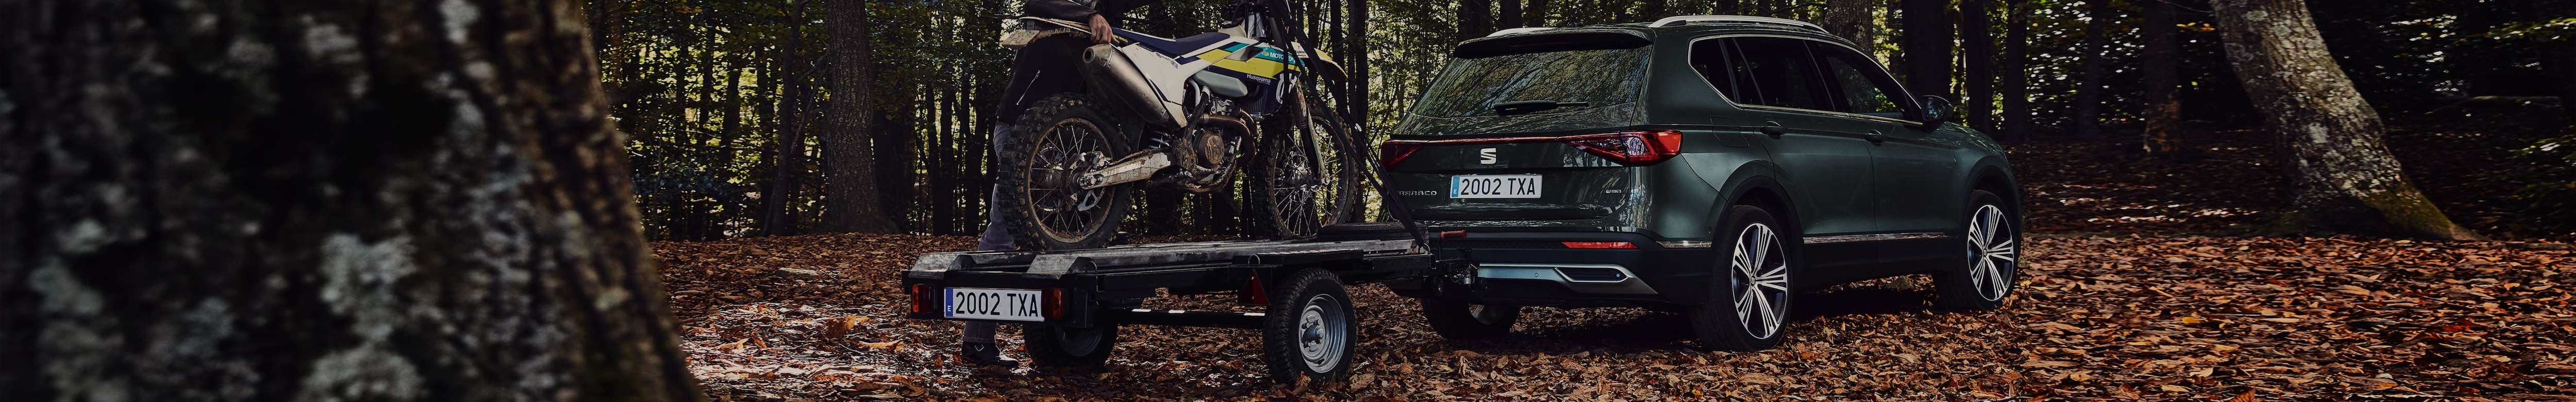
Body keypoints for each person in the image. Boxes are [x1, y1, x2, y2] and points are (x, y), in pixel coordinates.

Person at [959, 0, 1158, 368]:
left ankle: (1036, 332)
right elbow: (1037, 2)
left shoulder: (1104, 40)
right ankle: (978, 339)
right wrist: (1087, 15)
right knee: (1004, 233)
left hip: (1061, 145)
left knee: (1060, 230)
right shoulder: (1058, 18)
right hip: (1020, 133)